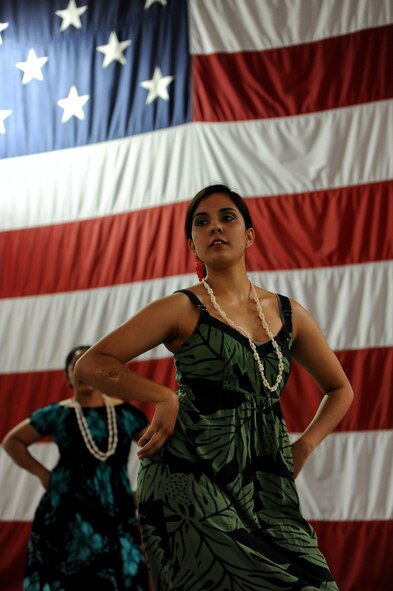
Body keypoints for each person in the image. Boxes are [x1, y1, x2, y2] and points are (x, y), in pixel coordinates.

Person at [75, 184, 354, 591]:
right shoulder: (183, 307)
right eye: (201, 223)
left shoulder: (289, 313)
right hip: (188, 480)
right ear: (193, 243)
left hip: (265, 481)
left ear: (249, 235)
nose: (215, 228)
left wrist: (305, 445)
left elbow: (339, 388)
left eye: (227, 217)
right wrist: (163, 396)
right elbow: (91, 363)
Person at [2, 345, 150, 591]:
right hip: (65, 512)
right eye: (75, 365)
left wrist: (142, 490)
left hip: (115, 510)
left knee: (122, 576)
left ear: (101, 372)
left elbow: (157, 451)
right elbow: (12, 441)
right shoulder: (57, 414)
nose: (82, 370)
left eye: (88, 364)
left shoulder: (126, 414)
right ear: (67, 377)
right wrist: (43, 474)